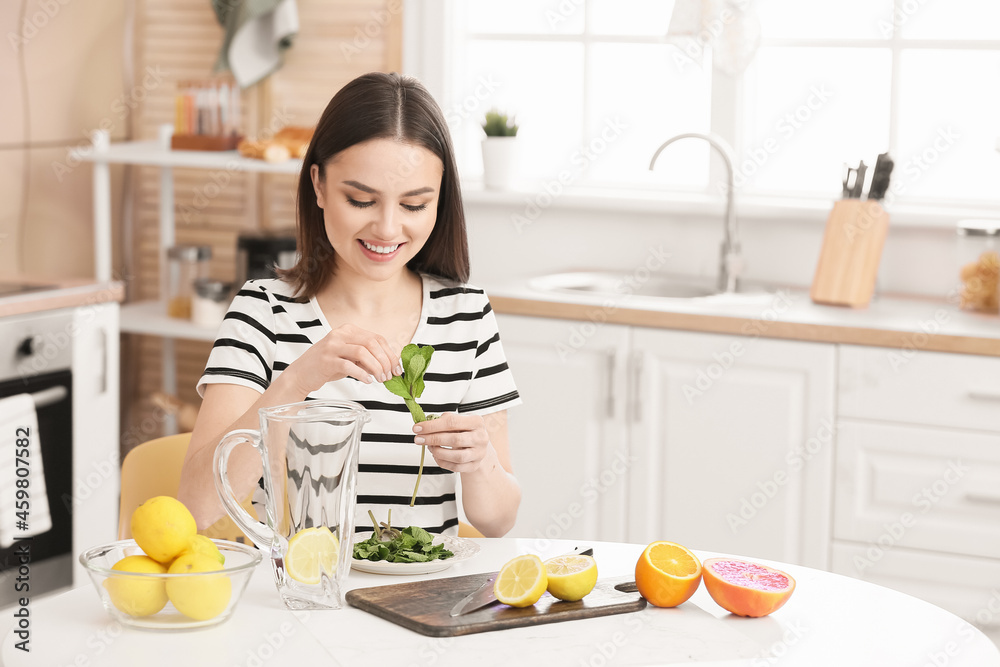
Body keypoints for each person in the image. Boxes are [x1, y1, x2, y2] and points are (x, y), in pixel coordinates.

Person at [177, 72, 522, 537]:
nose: (387, 228)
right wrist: (299, 379)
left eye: (415, 205)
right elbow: (196, 507)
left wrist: (479, 463)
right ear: (317, 184)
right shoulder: (262, 312)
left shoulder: (467, 317)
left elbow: (498, 520)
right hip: (298, 595)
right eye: (361, 199)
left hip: (418, 601)